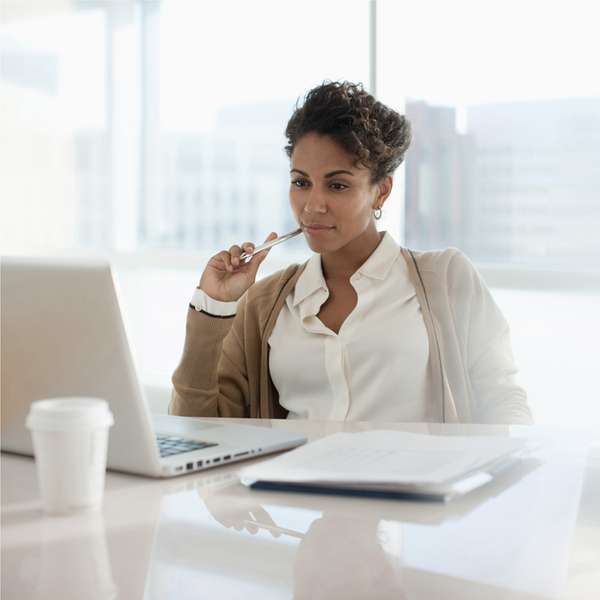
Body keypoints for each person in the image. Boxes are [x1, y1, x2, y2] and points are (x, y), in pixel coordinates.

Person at [170, 81, 532, 424]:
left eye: (337, 185)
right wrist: (215, 306)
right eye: (301, 182)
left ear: (381, 191)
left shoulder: (447, 278)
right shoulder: (265, 304)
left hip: (412, 487)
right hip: (290, 490)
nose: (312, 206)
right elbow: (199, 430)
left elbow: (503, 402)